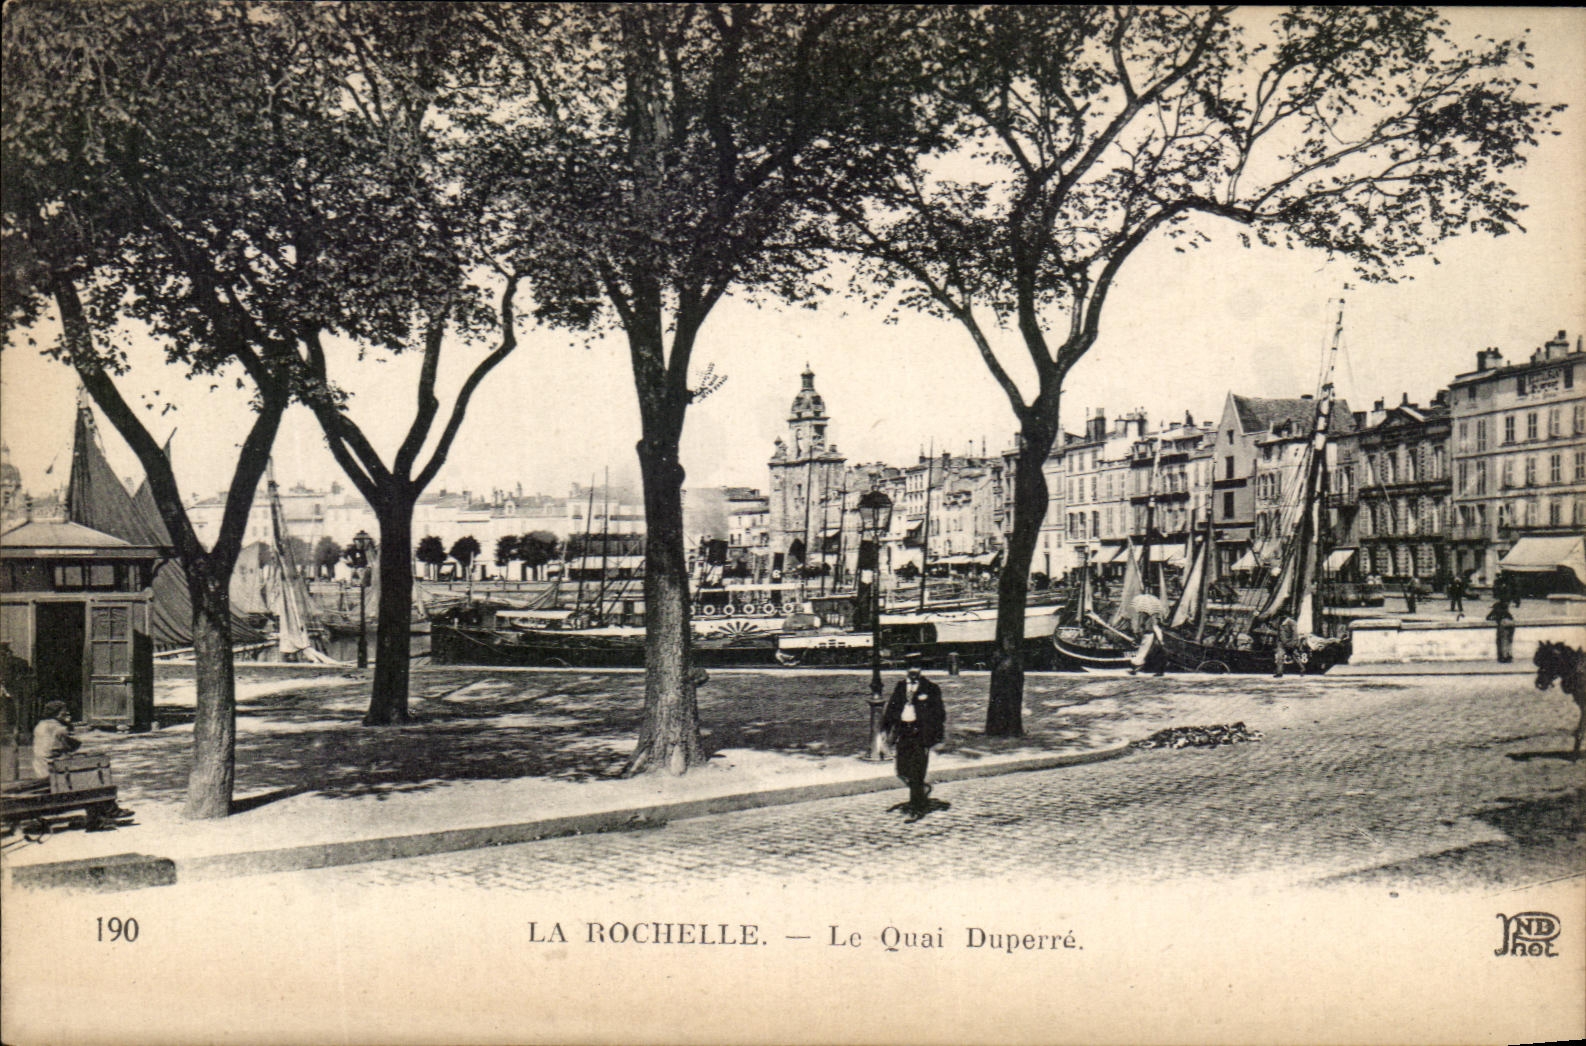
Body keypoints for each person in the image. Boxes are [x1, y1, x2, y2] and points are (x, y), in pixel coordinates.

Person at [880, 653, 946, 819]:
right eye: (910, 666)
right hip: (904, 732)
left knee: (917, 771)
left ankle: (916, 807)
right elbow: (891, 710)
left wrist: (937, 739)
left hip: (920, 734)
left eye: (916, 666)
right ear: (906, 669)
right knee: (901, 769)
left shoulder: (931, 688)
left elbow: (939, 715)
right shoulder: (901, 687)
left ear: (921, 669)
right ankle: (921, 790)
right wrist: (885, 731)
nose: (913, 670)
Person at [32, 701, 80, 780]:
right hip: (52, 766)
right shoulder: (59, 728)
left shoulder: (40, 724)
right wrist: (69, 724)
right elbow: (74, 745)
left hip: (39, 765)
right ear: (56, 713)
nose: (67, 713)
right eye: (64, 712)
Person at [1486, 598, 1515, 663]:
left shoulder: (1496, 609)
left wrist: (1495, 618)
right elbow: (1511, 617)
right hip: (1511, 623)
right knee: (1509, 640)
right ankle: (1509, 655)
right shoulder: (1506, 610)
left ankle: (1504, 657)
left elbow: (1488, 617)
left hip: (1503, 623)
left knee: (1503, 640)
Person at [1273, 614, 1299, 678]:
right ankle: (1279, 673)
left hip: (1289, 643)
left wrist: (1293, 643)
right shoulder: (1280, 622)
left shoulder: (1291, 622)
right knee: (1280, 657)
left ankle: (1302, 669)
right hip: (1281, 643)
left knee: (1295, 657)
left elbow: (1295, 634)